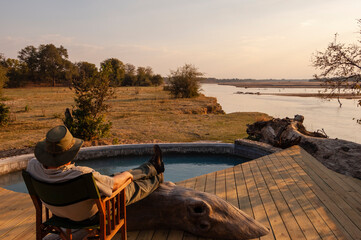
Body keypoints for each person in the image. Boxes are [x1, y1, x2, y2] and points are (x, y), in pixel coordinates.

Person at [26, 125, 164, 223]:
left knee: (112, 177)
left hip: (57, 212)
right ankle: (157, 177)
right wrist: (128, 175)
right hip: (91, 215)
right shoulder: (81, 174)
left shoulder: (32, 166)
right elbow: (115, 185)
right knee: (129, 186)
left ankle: (152, 166)